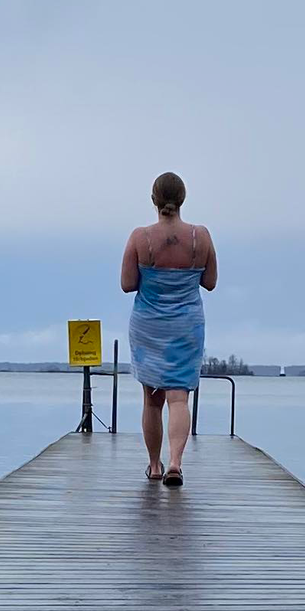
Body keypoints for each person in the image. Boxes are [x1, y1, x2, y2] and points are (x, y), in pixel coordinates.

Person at [120, 171, 218, 487]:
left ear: (154, 200)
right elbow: (211, 282)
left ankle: (154, 465)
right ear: (183, 198)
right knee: (179, 398)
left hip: (149, 324)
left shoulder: (140, 237)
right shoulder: (200, 237)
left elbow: (127, 284)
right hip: (186, 324)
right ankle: (176, 462)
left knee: (152, 399)